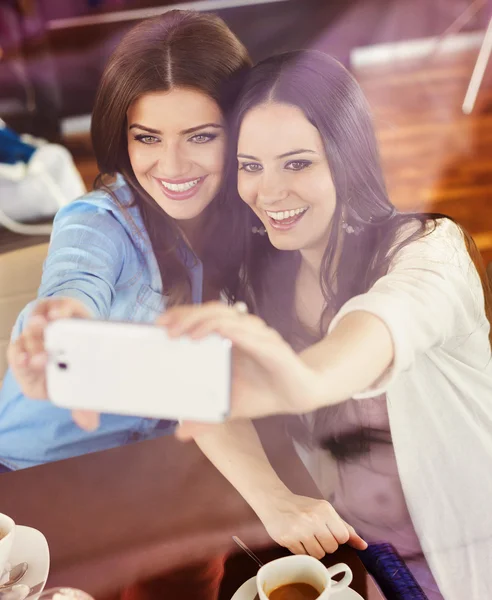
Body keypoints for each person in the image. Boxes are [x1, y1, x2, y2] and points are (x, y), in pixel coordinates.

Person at [161, 51, 492, 600]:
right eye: (250, 166)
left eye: (297, 163)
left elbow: (367, 337)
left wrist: (300, 379)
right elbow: (199, 393)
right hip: (364, 556)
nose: (268, 193)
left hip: (467, 555)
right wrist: (273, 498)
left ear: (347, 158)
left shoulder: (431, 253)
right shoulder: (253, 273)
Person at [0, 9, 252, 472]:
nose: (172, 166)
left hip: (151, 469)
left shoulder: (252, 218)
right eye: (148, 138)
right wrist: (61, 321)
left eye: (200, 136)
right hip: (28, 476)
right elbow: (75, 279)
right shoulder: (97, 222)